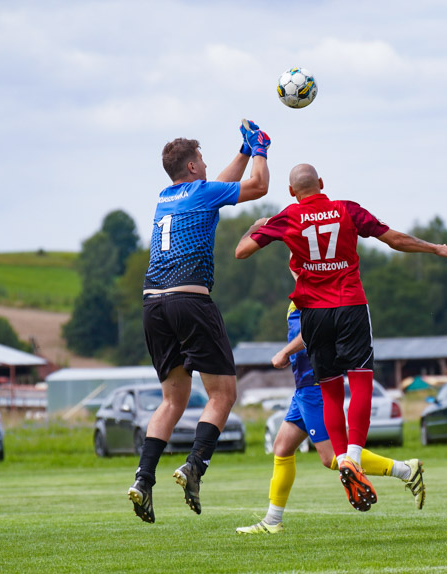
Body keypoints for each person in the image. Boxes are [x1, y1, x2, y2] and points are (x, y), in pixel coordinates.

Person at [235, 163, 447, 511]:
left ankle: (344, 458)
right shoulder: (347, 210)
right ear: (322, 183)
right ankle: (353, 455)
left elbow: (242, 252)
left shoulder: (288, 216)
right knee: (362, 379)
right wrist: (435, 248)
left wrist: (260, 227)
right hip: (350, 305)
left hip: (313, 313)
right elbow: (394, 239)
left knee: (330, 390)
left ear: (292, 191)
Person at [127, 119, 271, 523]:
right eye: (202, 160)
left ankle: (143, 478)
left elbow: (218, 189)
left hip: (153, 305)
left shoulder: (166, 196)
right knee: (222, 395)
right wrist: (260, 150)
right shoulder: (202, 192)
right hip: (190, 301)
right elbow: (258, 186)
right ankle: (194, 466)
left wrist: (241, 151)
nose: (207, 166)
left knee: (172, 400)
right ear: (192, 168)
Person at [236, 299, 426, 534]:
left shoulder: (315, 293)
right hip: (303, 386)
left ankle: (405, 470)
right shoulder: (299, 294)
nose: (294, 265)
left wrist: (285, 351)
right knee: (283, 447)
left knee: (331, 457)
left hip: (314, 384)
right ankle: (273, 521)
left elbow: (313, 331)